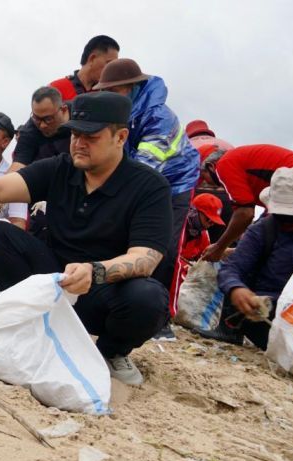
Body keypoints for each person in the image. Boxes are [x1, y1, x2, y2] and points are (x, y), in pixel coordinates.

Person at [0, 92, 172, 385]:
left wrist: (94, 271)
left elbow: (145, 258)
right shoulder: (61, 167)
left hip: (101, 288)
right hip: (52, 277)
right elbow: (1, 189)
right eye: (75, 135)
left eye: (91, 136)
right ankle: (32, 327)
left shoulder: (149, 186)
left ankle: (110, 352)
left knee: (149, 298)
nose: (79, 143)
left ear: (120, 137)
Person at [94, 58, 200, 337]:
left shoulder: (158, 118)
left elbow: (145, 167)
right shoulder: (122, 114)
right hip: (145, 178)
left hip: (175, 184)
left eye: (113, 91)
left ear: (130, 88)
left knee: (163, 247)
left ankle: (161, 320)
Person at [204, 168, 293, 349]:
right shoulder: (262, 231)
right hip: (272, 312)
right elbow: (232, 268)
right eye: (283, 217)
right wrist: (237, 289)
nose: (289, 223)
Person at [198, 144, 293, 262]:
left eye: (204, 177)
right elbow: (260, 232)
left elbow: (245, 213)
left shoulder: (224, 165)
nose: (207, 183)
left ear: (210, 166)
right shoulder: (239, 160)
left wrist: (219, 247)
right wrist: (233, 251)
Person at [10, 86, 71, 172]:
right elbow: (18, 165)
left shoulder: (81, 114)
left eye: (48, 119)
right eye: (36, 118)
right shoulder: (29, 131)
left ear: (63, 110)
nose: (42, 125)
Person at [49, 35, 119, 102]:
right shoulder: (56, 89)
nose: (111, 70)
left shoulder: (108, 94)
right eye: (109, 64)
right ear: (92, 59)